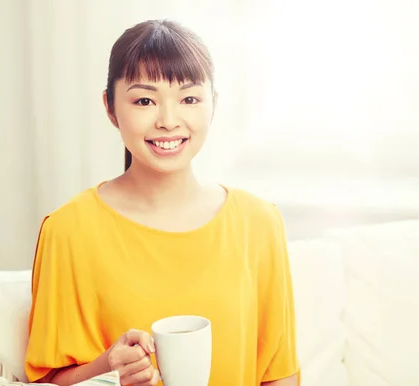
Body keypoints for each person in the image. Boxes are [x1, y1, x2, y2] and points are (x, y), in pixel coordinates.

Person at [24, 19, 300, 386]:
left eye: (189, 99)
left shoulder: (260, 222)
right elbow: (46, 382)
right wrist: (108, 368)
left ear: (212, 104)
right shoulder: (68, 231)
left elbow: (279, 374)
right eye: (144, 100)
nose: (169, 121)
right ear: (110, 108)